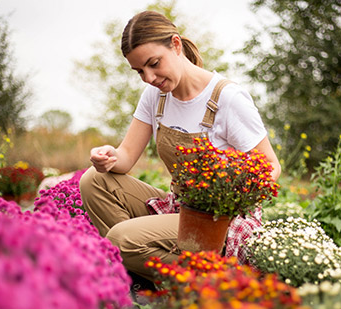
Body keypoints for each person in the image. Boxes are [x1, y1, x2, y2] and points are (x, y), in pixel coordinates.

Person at [79, 10, 281, 282]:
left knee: (120, 239)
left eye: (154, 64)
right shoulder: (156, 96)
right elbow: (126, 156)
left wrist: (224, 200)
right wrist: (108, 157)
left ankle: (214, 281)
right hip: (180, 208)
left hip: (217, 223)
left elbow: (271, 167)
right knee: (94, 181)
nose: (148, 78)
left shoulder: (228, 99)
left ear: (175, 45)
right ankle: (147, 264)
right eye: (139, 71)